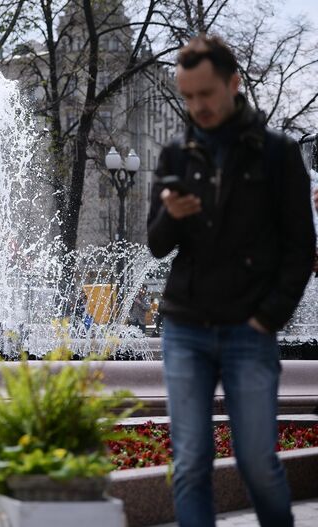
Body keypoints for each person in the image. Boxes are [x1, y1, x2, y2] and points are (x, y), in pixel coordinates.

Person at [147, 35, 315, 527]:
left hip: (250, 329)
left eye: (206, 94)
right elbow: (157, 244)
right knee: (191, 464)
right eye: (188, 96)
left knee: (259, 465)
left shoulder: (279, 154)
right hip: (185, 328)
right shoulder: (175, 155)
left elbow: (299, 248)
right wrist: (172, 216)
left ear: (233, 82)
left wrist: (269, 317)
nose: (197, 106)